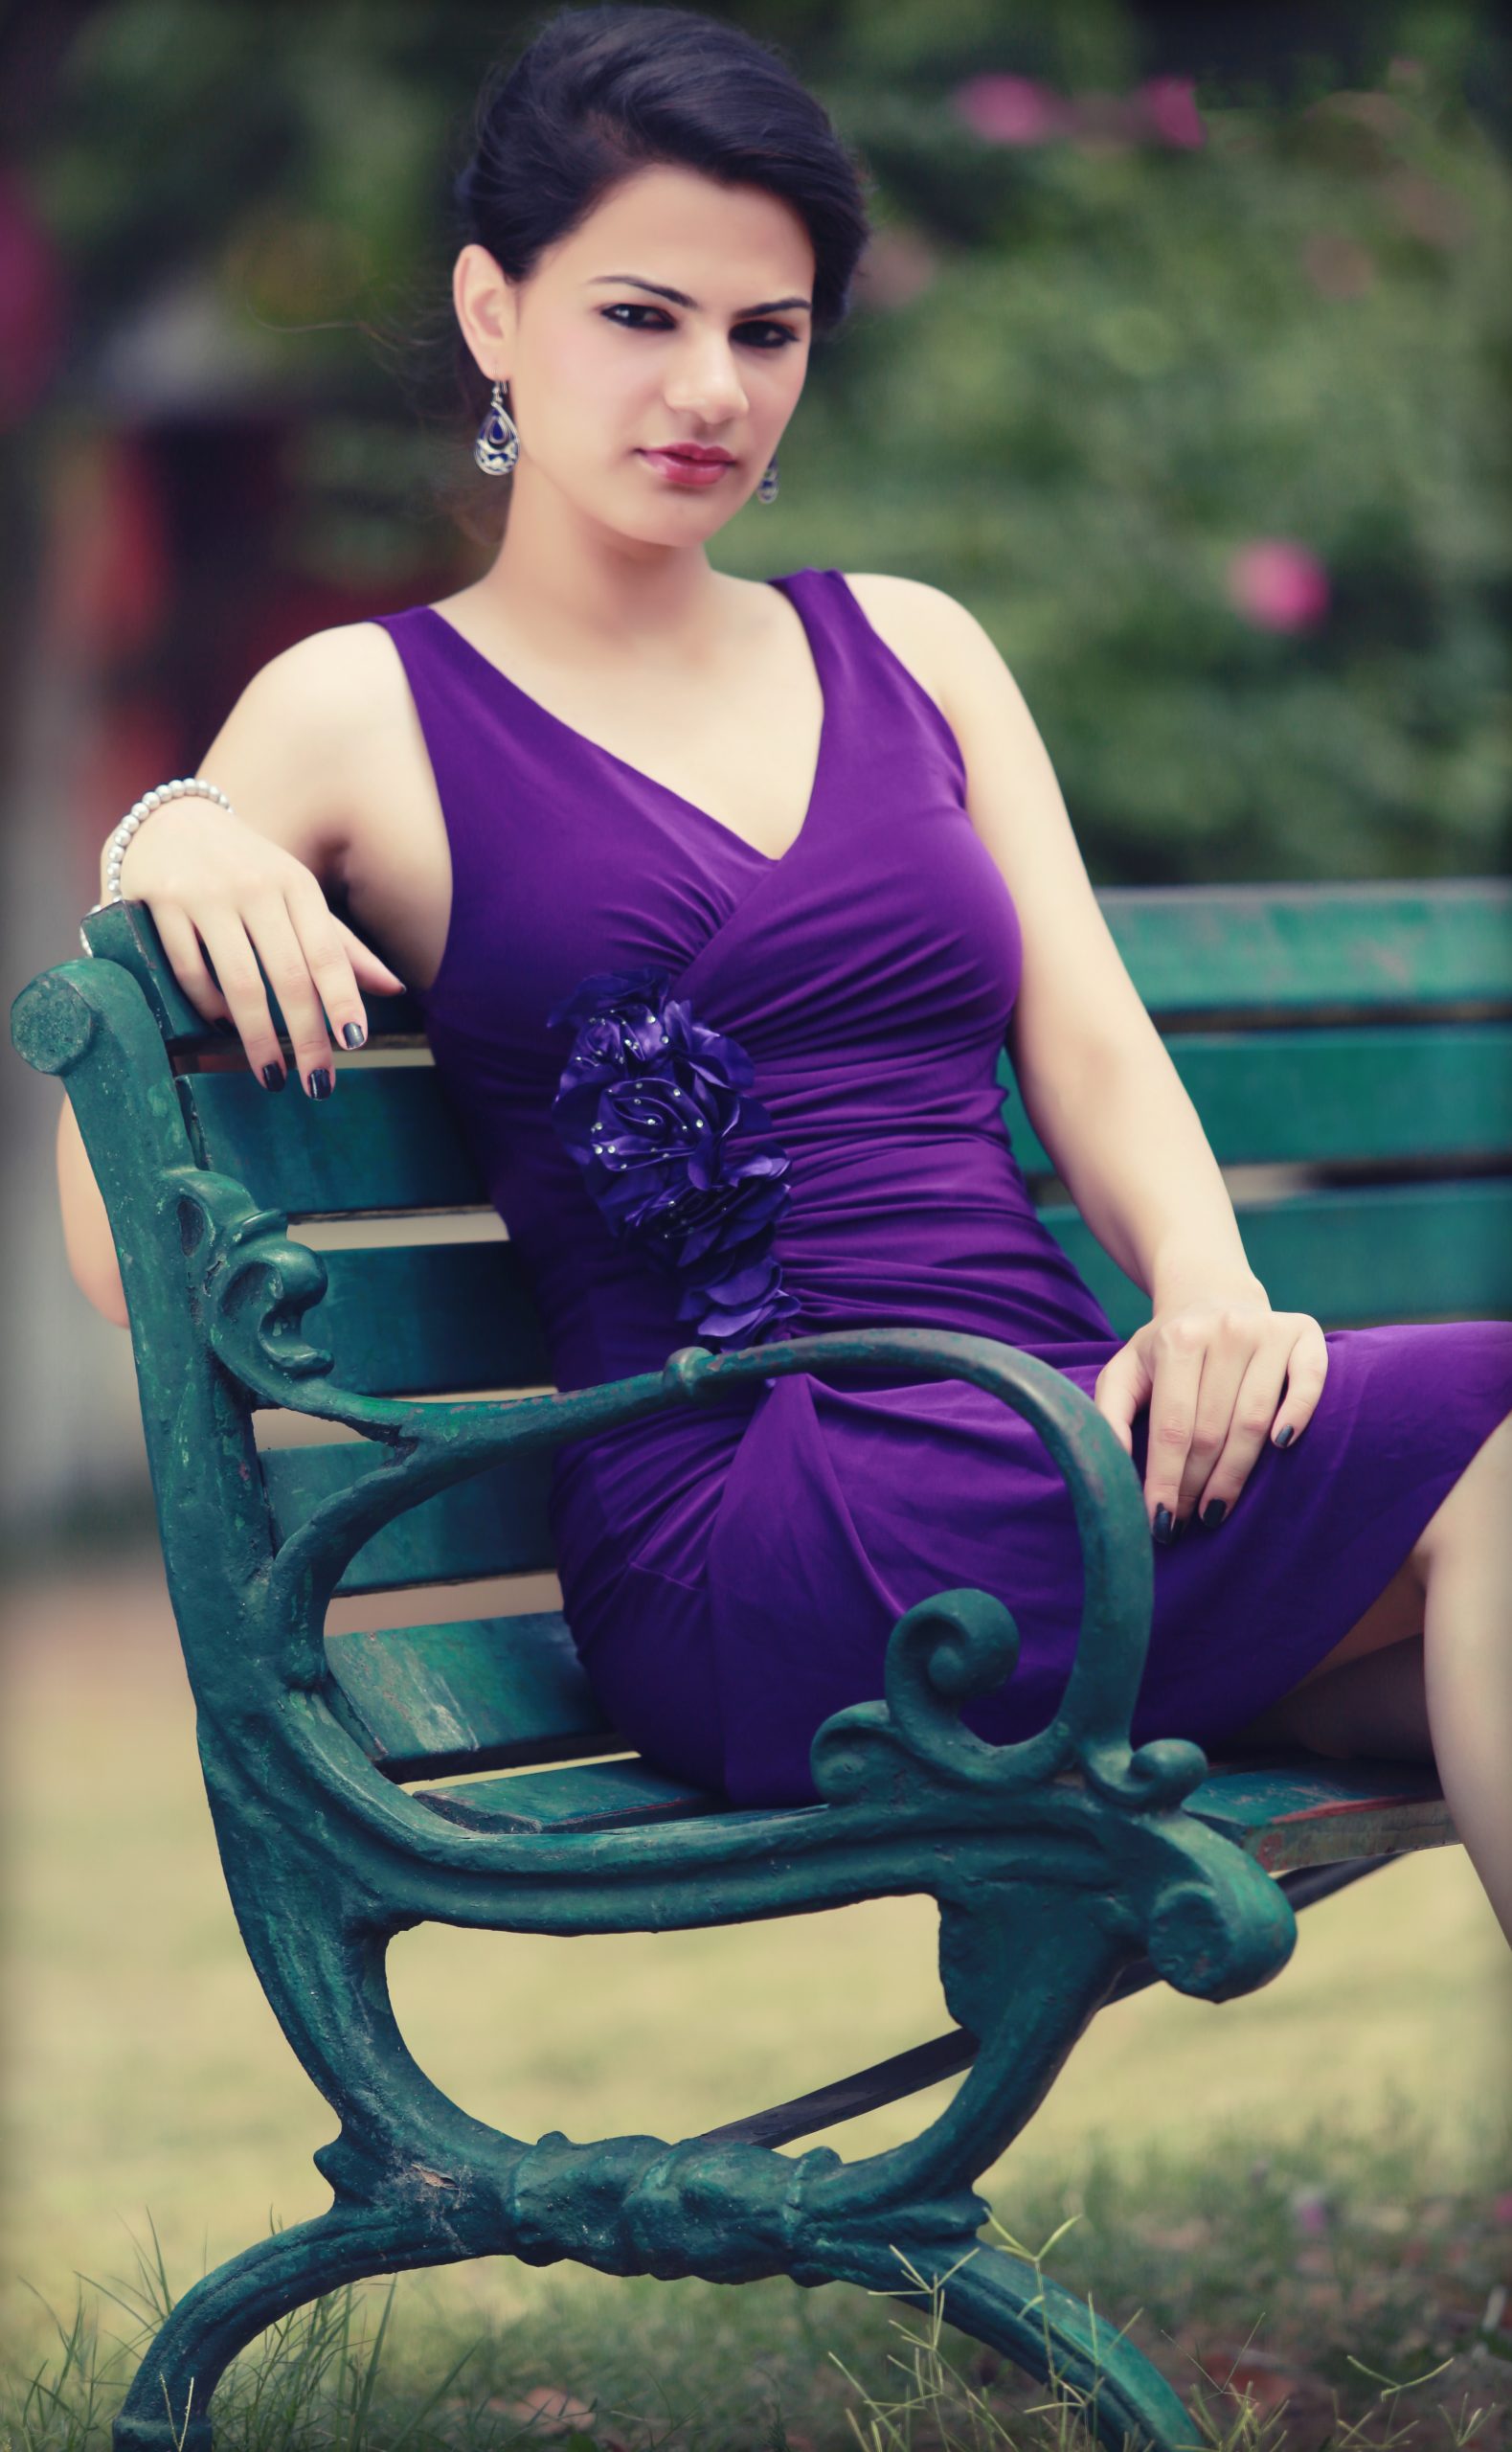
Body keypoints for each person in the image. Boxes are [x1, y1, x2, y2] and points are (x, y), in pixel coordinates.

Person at [56, 4, 1512, 1941]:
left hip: (1056, 1422)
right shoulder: (356, 710)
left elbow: (1082, 1027)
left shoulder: (910, 644)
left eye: (768, 331)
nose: (710, 389)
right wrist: (165, 837)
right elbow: (120, 1239)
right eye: (639, 317)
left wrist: (1211, 1287)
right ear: (497, 313)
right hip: (759, 1506)